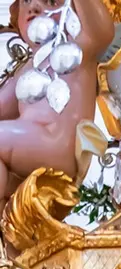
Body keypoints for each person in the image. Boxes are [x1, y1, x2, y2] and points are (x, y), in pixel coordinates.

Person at [0, 0, 114, 206]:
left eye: (50, 1)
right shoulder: (26, 69)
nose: (34, 7)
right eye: (26, 1)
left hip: (56, 144)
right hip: (27, 149)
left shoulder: (78, 46)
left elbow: (101, 29)